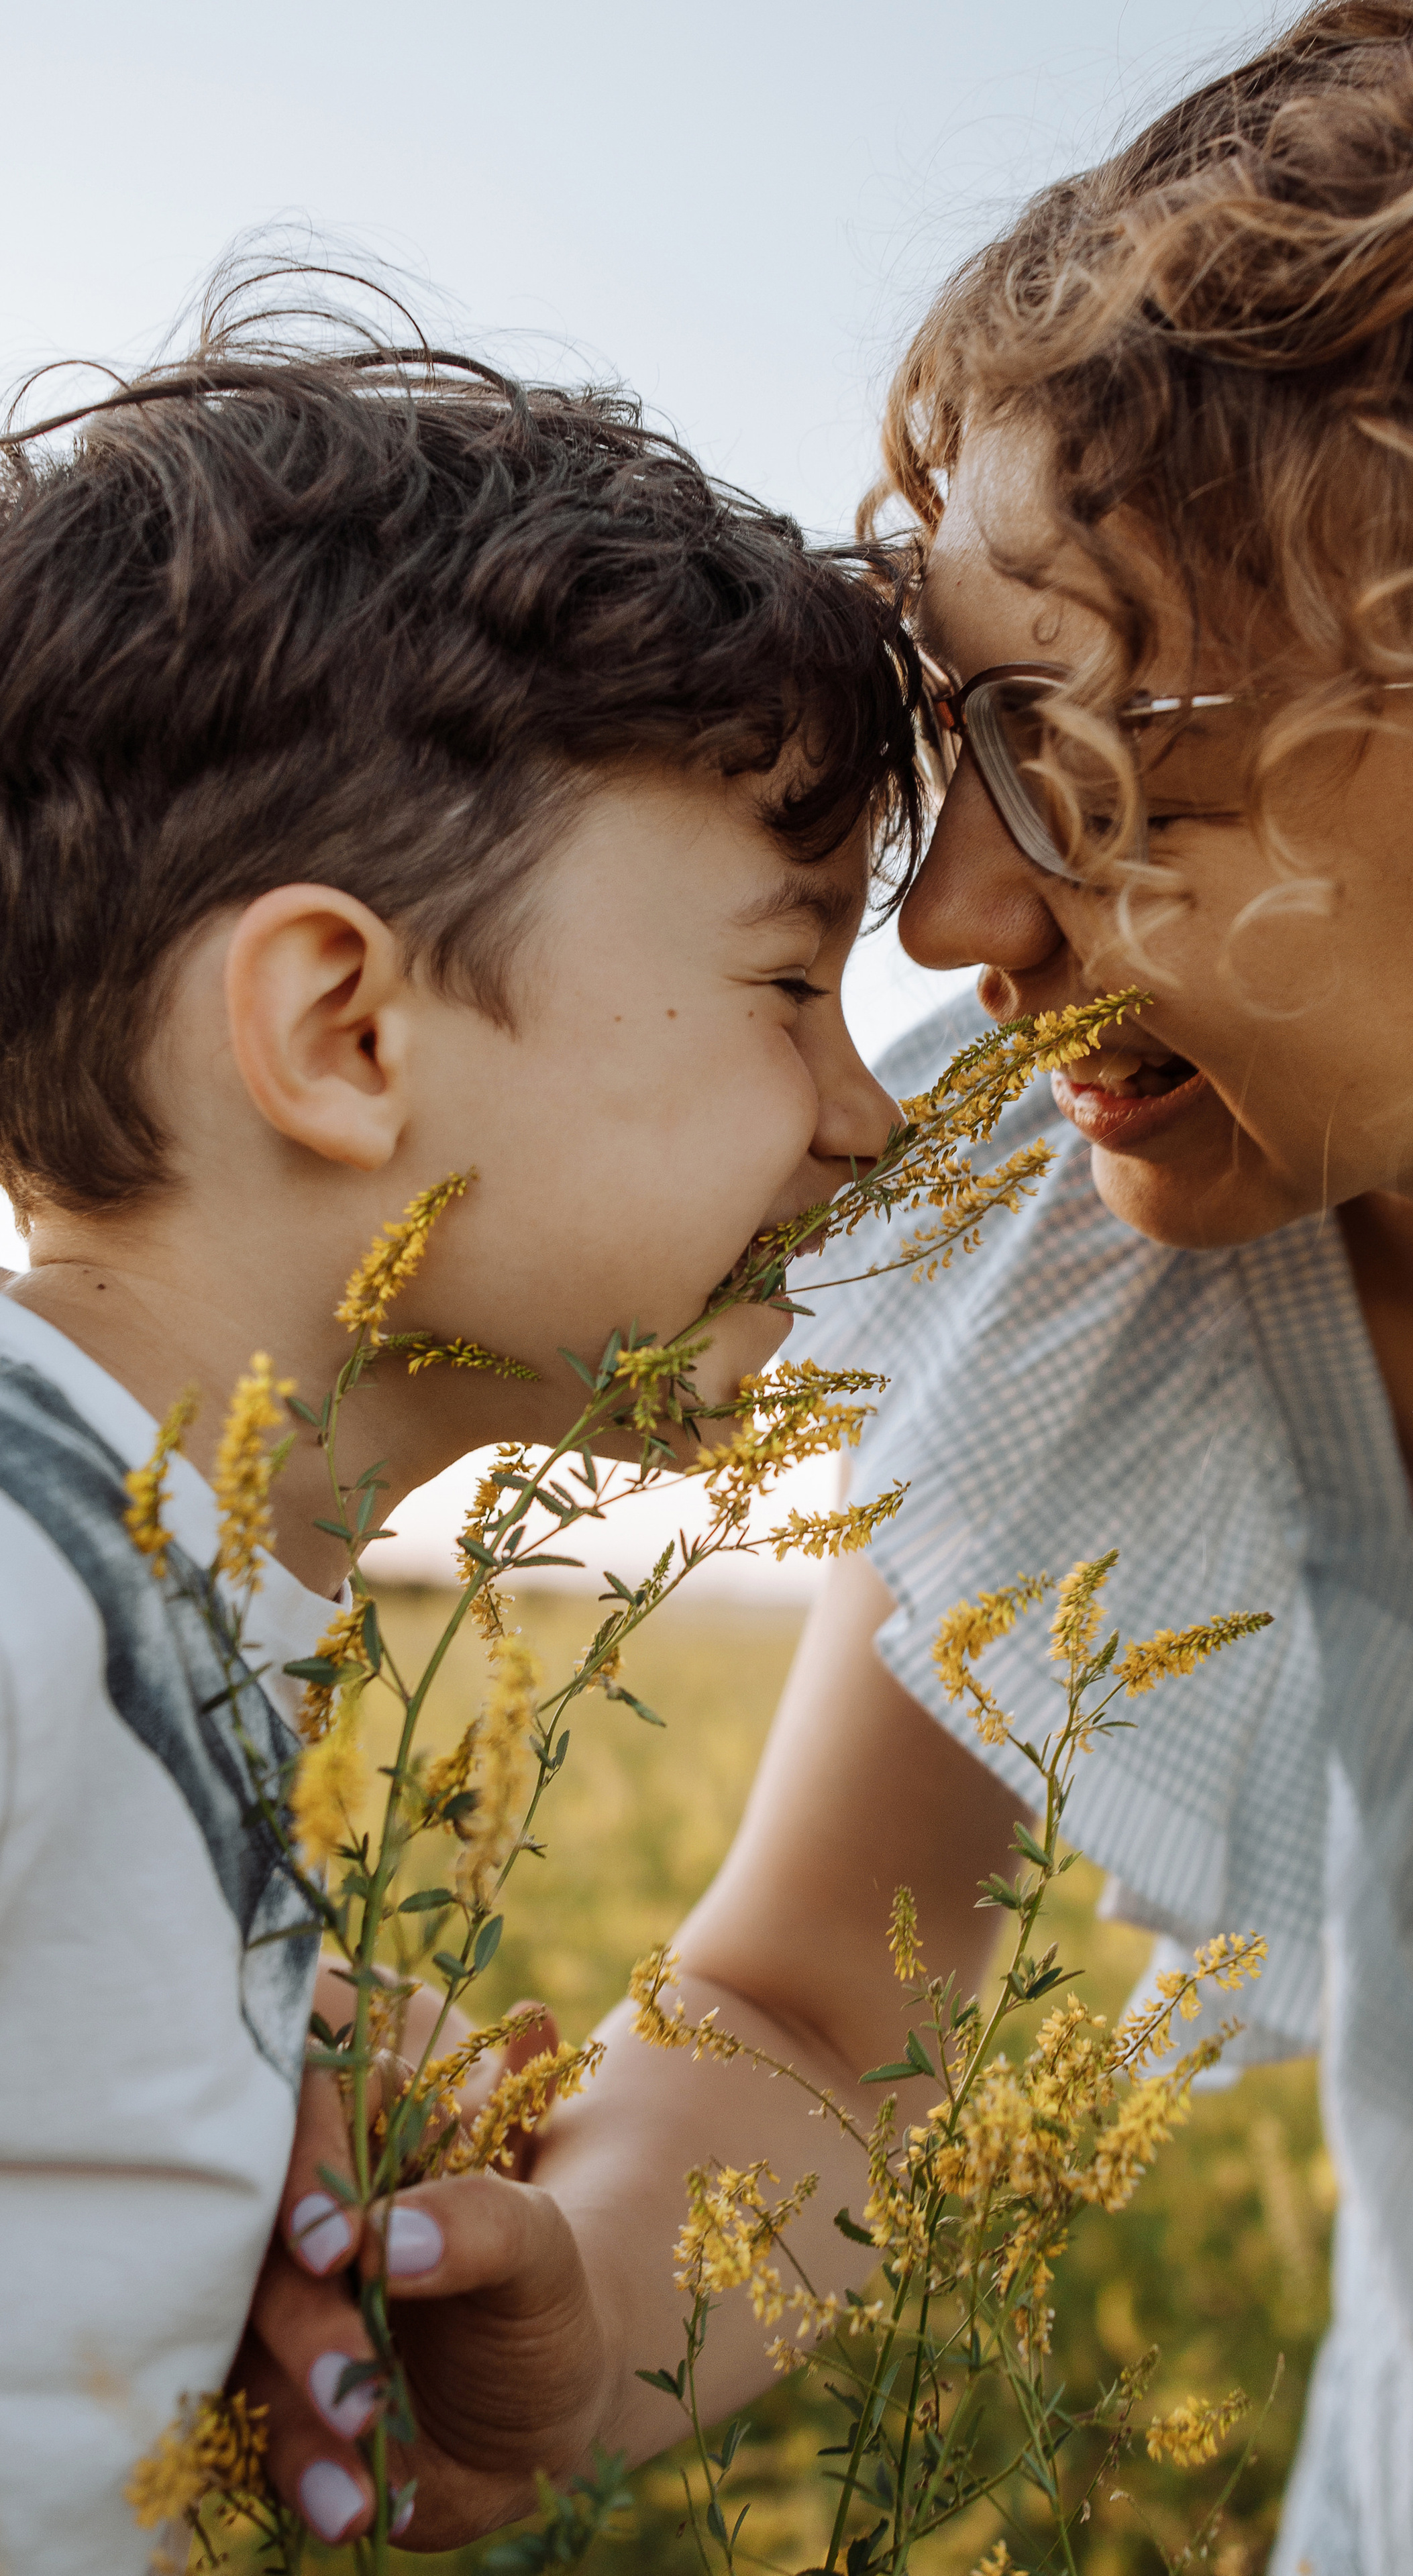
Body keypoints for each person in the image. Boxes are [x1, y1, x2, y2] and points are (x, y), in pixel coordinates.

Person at [251, 1, 1413, 2567]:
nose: (957, 923)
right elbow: (821, 2010)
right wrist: (574, 2321)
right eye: (972, 751)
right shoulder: (1090, 1234)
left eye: (1103, 764)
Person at [0, 268, 924, 2575]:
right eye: (794, 982)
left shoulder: (171, 1617)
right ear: (343, 1027)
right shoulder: (21, 1585)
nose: (868, 1126)